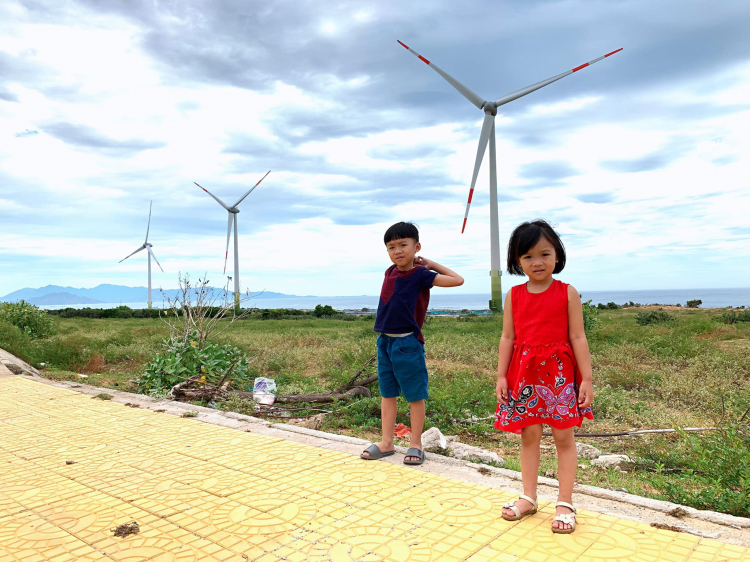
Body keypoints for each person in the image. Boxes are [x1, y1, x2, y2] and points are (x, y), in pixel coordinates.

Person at [494, 219, 593, 534]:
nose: (537, 262)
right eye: (527, 256)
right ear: (517, 261)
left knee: (564, 437)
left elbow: (578, 337)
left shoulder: (567, 293)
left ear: (557, 257)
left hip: (560, 377)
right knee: (529, 435)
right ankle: (529, 497)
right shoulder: (514, 295)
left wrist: (586, 379)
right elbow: (507, 338)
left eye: (544, 254)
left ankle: (565, 502)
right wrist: (501, 376)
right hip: (524, 376)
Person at [361, 221, 464, 465]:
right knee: (387, 393)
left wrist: (430, 264)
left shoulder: (421, 275)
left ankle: (415, 444)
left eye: (403, 245)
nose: (397, 251)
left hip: (408, 343)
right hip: (385, 341)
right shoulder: (389, 271)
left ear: (416, 247)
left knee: (415, 395)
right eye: (391, 247)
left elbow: (457, 280)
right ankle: (387, 442)